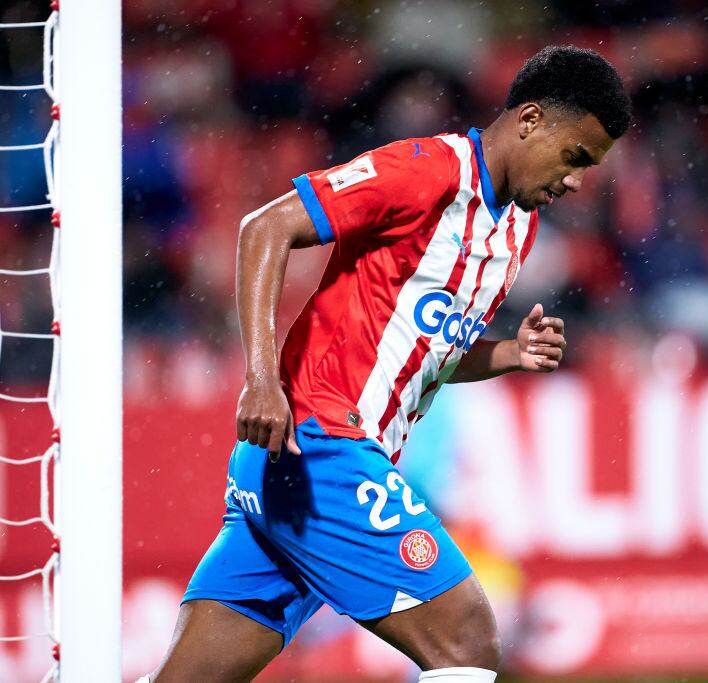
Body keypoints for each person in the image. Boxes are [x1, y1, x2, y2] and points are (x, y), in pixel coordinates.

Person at [145, 45, 631, 683]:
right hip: (318, 442)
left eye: (588, 169)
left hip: (297, 472)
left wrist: (507, 354)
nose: (575, 181)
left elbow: (420, 355)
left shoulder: (517, 230)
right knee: (467, 640)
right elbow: (263, 229)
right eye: (575, 158)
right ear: (531, 120)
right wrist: (261, 380)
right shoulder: (426, 171)